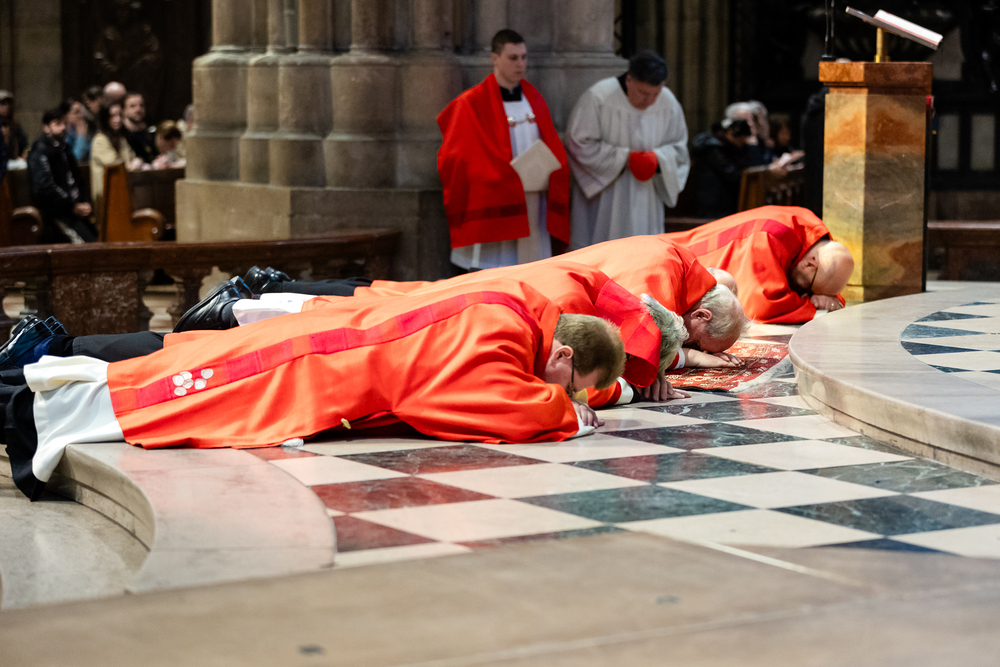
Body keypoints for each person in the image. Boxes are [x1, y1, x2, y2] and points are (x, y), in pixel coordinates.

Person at [1, 279, 626, 500]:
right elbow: (500, 406)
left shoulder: (516, 310)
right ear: (563, 354)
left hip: (328, 346)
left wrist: (580, 398)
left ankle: (30, 376)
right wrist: (571, 416)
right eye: (572, 385)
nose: (567, 395)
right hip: (313, 370)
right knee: (173, 394)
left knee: (176, 367)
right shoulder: (500, 343)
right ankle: (25, 406)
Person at [438, 29, 570, 272]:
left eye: (524, 57)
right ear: (495, 58)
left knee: (530, 268)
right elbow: (456, 156)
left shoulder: (534, 98)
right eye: (513, 58)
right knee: (496, 269)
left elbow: (552, 145)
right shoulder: (472, 102)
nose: (520, 64)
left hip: (533, 198)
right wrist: (498, 174)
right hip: (498, 194)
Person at [565, 51, 689, 250]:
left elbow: (679, 148)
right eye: (643, 93)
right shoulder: (600, 96)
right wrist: (624, 159)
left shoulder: (668, 102)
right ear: (629, 79)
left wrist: (658, 159)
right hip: (607, 197)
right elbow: (579, 143)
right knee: (604, 248)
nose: (649, 101)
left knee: (645, 250)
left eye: (655, 94)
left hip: (647, 196)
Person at [664, 205, 854, 323]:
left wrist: (826, 298)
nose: (807, 294)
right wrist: (810, 305)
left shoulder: (818, 241)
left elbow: (827, 283)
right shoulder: (771, 237)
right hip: (672, 264)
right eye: (809, 289)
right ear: (810, 264)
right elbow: (762, 306)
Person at [25, 107, 96, 243]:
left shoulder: (65, 149)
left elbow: (77, 179)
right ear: (46, 128)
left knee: (97, 240)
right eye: (57, 124)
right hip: (56, 216)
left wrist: (85, 201)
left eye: (64, 123)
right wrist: (72, 206)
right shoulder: (40, 150)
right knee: (85, 245)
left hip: (73, 212)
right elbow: (45, 187)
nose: (63, 128)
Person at [690, 118, 751, 219]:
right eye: (741, 140)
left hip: (720, 201)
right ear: (731, 133)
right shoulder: (714, 149)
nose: (741, 144)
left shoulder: (722, 146)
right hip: (714, 202)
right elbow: (732, 175)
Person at [90, 103, 142, 221]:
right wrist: (134, 164)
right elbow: (116, 166)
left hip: (122, 193)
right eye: (112, 116)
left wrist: (138, 161)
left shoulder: (121, 139)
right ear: (105, 118)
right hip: (107, 198)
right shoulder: (100, 140)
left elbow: (132, 158)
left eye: (120, 115)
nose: (117, 119)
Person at [122, 92, 157, 164]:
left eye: (141, 105)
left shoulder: (149, 132)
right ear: (124, 110)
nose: (138, 109)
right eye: (132, 106)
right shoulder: (121, 133)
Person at [0, 90, 29, 159]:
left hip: (10, 160)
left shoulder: (13, 122)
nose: (6, 107)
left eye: (8, 103)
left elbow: (23, 141)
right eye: (3, 103)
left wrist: (22, 155)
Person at [64, 99, 95, 163]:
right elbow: (75, 159)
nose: (81, 115)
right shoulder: (64, 135)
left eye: (81, 112)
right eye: (76, 112)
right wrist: (81, 137)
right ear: (66, 116)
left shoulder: (87, 131)